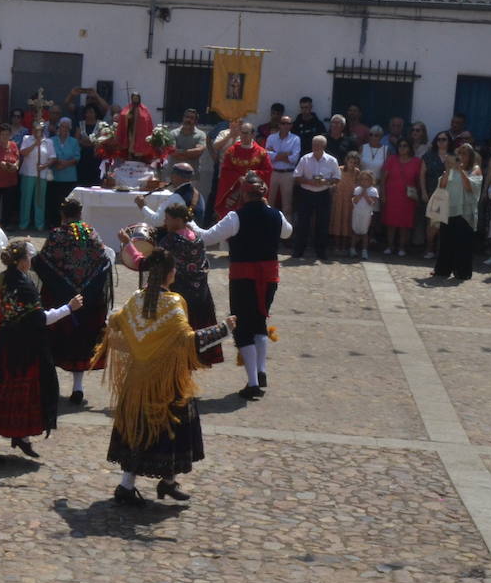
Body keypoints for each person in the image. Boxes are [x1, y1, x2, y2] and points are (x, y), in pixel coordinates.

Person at [94, 248, 235, 506]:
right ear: (171, 273)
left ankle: (131, 485)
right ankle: (163, 482)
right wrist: (223, 329)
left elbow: (115, 322)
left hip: (137, 382)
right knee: (171, 430)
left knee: (137, 429)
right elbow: (188, 341)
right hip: (166, 382)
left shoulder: (135, 300)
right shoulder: (173, 303)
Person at [0, 240, 80, 463]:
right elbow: (41, 319)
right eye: (29, 257)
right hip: (20, 349)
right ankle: (10, 441)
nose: (31, 260)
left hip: (1, 343)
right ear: (21, 262)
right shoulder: (24, 286)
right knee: (18, 393)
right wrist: (69, 308)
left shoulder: (3, 278)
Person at [198, 174, 292, 400]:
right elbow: (288, 232)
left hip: (244, 277)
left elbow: (207, 237)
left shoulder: (235, 217)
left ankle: (253, 383)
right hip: (269, 277)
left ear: (244, 194)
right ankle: (261, 372)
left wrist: (188, 223)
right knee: (259, 322)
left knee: (242, 328)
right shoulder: (276, 214)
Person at [119, 202, 223, 365]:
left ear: (178, 220)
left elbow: (145, 263)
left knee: (176, 352)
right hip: (201, 297)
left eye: (167, 219)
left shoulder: (171, 242)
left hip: (179, 301)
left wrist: (128, 244)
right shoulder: (197, 238)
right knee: (194, 346)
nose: (165, 222)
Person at [34, 197, 113, 406]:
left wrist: (62, 286)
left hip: (59, 299)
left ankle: (50, 386)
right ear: (80, 213)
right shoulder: (92, 234)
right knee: (82, 342)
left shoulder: (56, 235)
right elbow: (104, 262)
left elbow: (42, 263)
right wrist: (86, 289)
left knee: (55, 339)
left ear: (63, 214)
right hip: (88, 300)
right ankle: (78, 387)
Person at [432, 144, 483, 281]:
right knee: (446, 241)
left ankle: (462, 272)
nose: (461, 156)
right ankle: (442, 270)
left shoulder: (475, 169)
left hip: (465, 212)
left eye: (465, 153)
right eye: (459, 153)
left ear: (470, 156)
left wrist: (460, 170)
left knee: (462, 243)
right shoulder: (451, 169)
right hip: (449, 209)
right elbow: (442, 186)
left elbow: (470, 187)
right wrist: (449, 169)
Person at [291, 134, 341, 261]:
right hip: (306, 193)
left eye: (318, 145)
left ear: (324, 146)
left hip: (323, 194)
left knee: (322, 223)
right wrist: (309, 182)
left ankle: (321, 251)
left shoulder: (332, 160)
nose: (316, 147)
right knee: (303, 223)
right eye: (314, 144)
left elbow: (337, 178)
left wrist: (326, 182)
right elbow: (296, 177)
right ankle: (298, 250)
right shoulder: (305, 159)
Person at [214, 121, 272, 218]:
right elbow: (225, 170)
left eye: (246, 133)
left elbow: (268, 170)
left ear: (252, 134)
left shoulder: (261, 153)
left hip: (253, 192)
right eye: (242, 132)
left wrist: (255, 173)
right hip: (235, 191)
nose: (243, 136)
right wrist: (238, 177)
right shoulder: (231, 151)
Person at [380, 138, 424, 256]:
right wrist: (383, 194)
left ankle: (402, 247)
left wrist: (418, 195)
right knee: (391, 222)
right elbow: (383, 179)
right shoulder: (391, 159)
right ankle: (390, 246)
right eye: (400, 146)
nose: (402, 148)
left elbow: (419, 180)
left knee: (405, 223)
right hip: (392, 195)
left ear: (409, 148)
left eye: (405, 146)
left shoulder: (417, 161)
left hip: (408, 197)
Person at [135, 162, 202, 225]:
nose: (171, 177)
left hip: (179, 233)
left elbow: (157, 221)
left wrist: (142, 206)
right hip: (193, 232)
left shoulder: (176, 197)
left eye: (172, 174)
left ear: (176, 176)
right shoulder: (198, 194)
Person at [421, 132, 452, 260]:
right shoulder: (429, 156)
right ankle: (429, 249)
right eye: (439, 139)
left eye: (444, 139)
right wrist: (423, 192)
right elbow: (422, 175)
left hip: (449, 194)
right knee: (432, 224)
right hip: (432, 193)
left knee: (446, 224)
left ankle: (443, 251)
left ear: (449, 141)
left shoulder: (454, 157)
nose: (441, 141)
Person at [264, 115, 301, 220]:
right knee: (269, 202)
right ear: (279, 125)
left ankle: (287, 228)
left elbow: (294, 159)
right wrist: (286, 154)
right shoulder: (271, 138)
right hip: (274, 173)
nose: (285, 126)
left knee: (287, 205)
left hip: (288, 173)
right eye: (283, 123)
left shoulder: (295, 139)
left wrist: (275, 154)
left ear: (291, 125)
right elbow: (267, 156)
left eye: (288, 123)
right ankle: (268, 224)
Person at [47, 117, 82, 225]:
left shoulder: (74, 141)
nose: (64, 129)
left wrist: (65, 164)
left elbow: (77, 157)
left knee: (68, 202)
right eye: (62, 127)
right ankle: (53, 223)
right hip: (55, 175)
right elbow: (48, 155)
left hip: (69, 176)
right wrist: (57, 162)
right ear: (59, 127)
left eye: (67, 127)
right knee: (54, 201)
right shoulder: (51, 140)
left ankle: (68, 224)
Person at [330, 151, 363, 256]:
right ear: (347, 161)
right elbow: (333, 182)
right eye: (351, 162)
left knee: (347, 222)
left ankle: (344, 247)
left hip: (349, 201)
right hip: (338, 200)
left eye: (355, 162)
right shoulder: (339, 169)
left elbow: (359, 186)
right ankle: (336, 246)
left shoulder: (357, 172)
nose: (352, 164)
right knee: (337, 221)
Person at [16, 119, 47, 231]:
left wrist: (44, 165)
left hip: (41, 174)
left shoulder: (48, 141)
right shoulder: (26, 139)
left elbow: (53, 157)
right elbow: (23, 152)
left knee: (39, 199)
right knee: (26, 199)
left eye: (40, 130)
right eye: (35, 129)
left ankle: (39, 224)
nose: (37, 131)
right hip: (28, 173)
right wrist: (35, 144)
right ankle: (24, 223)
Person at [108, 92, 157, 162]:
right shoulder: (128, 108)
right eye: (134, 98)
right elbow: (123, 115)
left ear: (139, 99)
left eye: (136, 98)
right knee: (130, 142)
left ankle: (138, 157)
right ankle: (130, 155)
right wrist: (127, 117)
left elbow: (146, 120)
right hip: (130, 130)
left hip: (140, 132)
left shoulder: (144, 109)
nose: (135, 100)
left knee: (139, 144)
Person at [350, 171, 379, 258]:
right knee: (355, 231)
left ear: (371, 180)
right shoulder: (357, 189)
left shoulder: (373, 190)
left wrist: (366, 195)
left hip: (366, 214)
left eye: (366, 179)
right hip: (357, 213)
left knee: (365, 233)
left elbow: (372, 203)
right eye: (362, 179)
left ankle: (364, 251)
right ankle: (352, 249)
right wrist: (360, 194)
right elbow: (354, 201)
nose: (364, 181)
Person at [171, 109, 208, 175]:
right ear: (183, 118)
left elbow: (198, 152)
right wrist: (190, 154)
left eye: (191, 118)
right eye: (187, 117)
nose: (188, 120)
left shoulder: (201, 135)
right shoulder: (173, 133)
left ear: (196, 121)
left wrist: (180, 152)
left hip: (192, 175)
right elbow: (172, 152)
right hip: (174, 175)